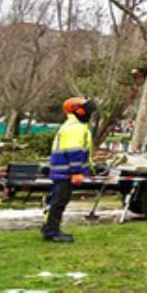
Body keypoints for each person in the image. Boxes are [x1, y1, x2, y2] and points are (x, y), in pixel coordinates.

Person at [42, 97, 95, 242]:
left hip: (63, 171)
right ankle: (51, 232)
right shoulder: (75, 128)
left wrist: (91, 168)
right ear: (78, 110)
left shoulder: (75, 125)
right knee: (58, 202)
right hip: (65, 172)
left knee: (58, 201)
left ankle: (50, 228)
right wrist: (76, 172)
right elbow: (74, 152)